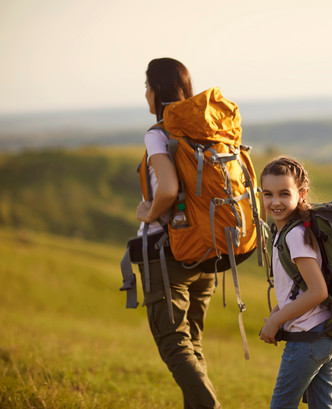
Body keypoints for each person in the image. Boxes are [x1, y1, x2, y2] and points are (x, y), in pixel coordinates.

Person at [135, 57, 221, 409]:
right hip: (208, 249)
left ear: (156, 91)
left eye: (147, 87)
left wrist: (149, 211)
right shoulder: (208, 127)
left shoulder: (159, 134)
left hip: (168, 251)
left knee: (173, 343)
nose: (145, 94)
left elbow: (168, 190)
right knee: (193, 343)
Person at [259, 157, 332, 409]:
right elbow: (301, 288)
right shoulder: (292, 231)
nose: (275, 202)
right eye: (268, 194)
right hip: (328, 334)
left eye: (284, 193)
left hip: (308, 338)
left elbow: (318, 291)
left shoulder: (295, 235)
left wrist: (276, 321)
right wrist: (279, 311)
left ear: (301, 193)